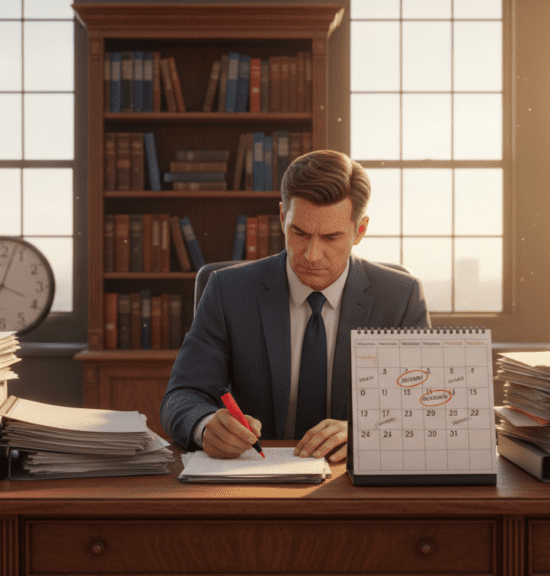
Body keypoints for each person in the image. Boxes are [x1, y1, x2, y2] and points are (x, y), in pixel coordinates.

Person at [160, 149, 430, 463]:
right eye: (299, 233)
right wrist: (205, 426)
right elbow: (183, 394)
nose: (312, 255)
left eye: (331, 237)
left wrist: (366, 431)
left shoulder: (399, 296)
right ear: (281, 217)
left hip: (350, 478)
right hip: (254, 475)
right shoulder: (228, 291)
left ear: (360, 230)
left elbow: (423, 406)